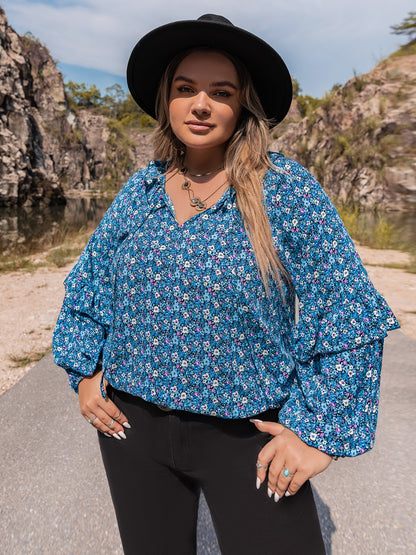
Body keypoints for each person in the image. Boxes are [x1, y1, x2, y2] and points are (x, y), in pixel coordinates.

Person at [53, 14, 399, 555]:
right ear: (167, 98)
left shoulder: (283, 189)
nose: (200, 104)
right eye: (186, 88)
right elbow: (90, 286)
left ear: (242, 105)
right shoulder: (141, 190)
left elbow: (348, 307)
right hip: (132, 430)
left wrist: (320, 436)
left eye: (221, 91)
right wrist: (84, 374)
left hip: (246, 437)